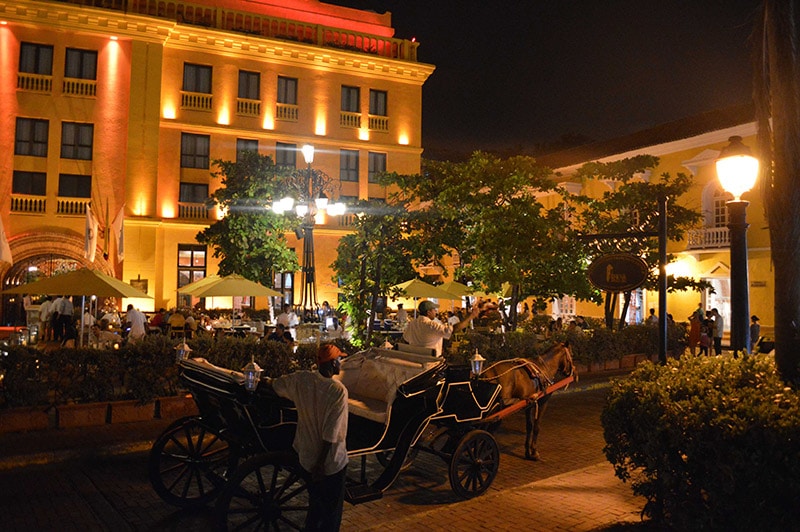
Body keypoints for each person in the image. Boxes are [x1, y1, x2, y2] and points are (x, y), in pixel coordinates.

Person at [269, 344, 349, 531]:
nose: (341, 363)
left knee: (315, 505)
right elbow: (332, 433)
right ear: (332, 363)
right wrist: (320, 465)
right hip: (330, 463)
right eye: (340, 359)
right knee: (331, 513)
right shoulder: (338, 391)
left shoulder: (301, 379)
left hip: (306, 456)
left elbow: (276, 385)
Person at [402, 300, 480, 357]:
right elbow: (452, 330)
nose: (436, 312)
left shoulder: (412, 324)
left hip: (415, 358)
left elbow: (406, 339)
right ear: (428, 312)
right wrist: (470, 317)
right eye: (434, 310)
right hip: (431, 361)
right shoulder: (431, 325)